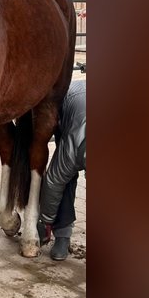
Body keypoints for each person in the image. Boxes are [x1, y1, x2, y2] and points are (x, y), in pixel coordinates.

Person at [37, 78, 86, 261]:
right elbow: (53, 182)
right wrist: (47, 221)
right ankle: (62, 233)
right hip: (67, 106)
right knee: (65, 178)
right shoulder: (72, 150)